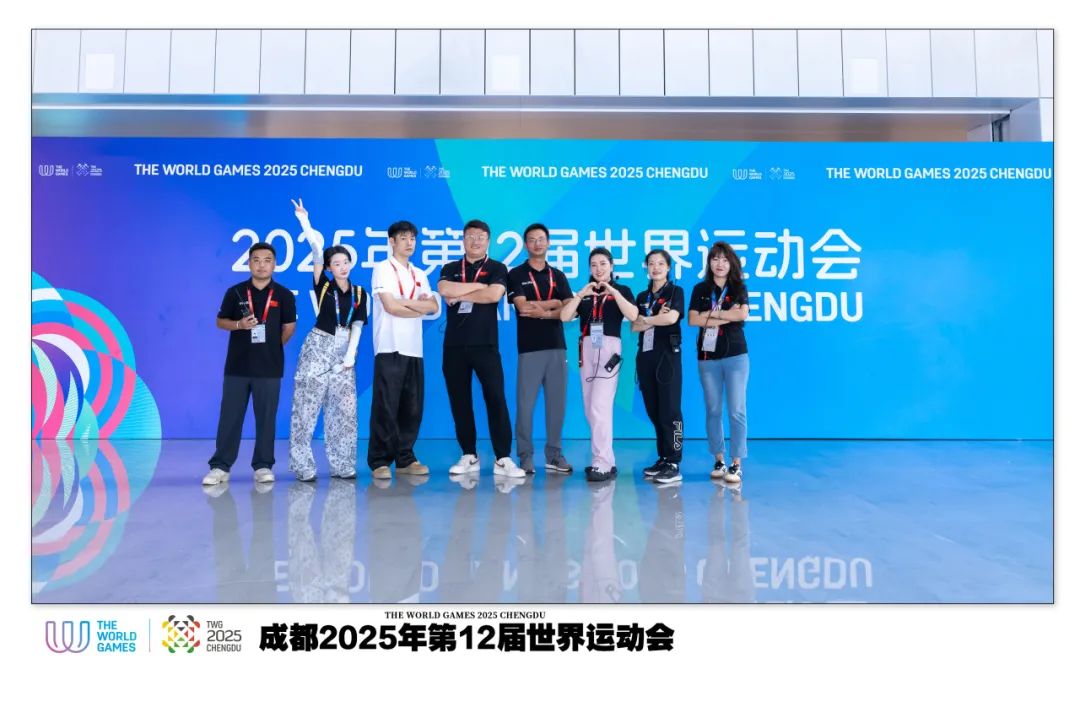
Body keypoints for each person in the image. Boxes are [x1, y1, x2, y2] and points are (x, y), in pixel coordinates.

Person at [204, 242, 297, 485]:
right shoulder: (235, 292)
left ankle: (263, 466)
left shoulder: (284, 295)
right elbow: (220, 321)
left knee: (266, 419)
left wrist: (271, 347)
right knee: (230, 417)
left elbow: (289, 327)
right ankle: (220, 467)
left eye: (267, 260)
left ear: (275, 264)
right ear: (249, 264)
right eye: (256, 260)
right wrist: (239, 325)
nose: (261, 265)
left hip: (269, 368)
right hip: (237, 367)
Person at [437, 219, 524, 479]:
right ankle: (469, 454)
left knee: (496, 399)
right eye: (471, 236)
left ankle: (503, 457)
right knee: (460, 401)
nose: (475, 241)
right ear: (463, 239)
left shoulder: (497, 267)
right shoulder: (451, 267)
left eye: (481, 237)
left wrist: (461, 295)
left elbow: (494, 295)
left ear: (488, 241)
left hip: (485, 344)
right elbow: (444, 288)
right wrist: (479, 286)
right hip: (454, 345)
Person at [288, 198, 368, 481]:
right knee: (306, 407)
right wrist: (304, 221)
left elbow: (357, 325)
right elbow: (315, 248)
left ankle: (343, 464)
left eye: (345, 262)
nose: (342, 266)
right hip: (318, 347)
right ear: (329, 268)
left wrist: (350, 355)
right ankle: (303, 466)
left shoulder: (360, 293)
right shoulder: (323, 285)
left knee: (344, 411)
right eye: (336, 263)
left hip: (345, 353)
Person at [368, 220, 440, 480]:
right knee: (386, 405)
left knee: (412, 407)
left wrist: (406, 304)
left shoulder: (419, 273)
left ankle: (405, 458)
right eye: (403, 238)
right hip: (389, 345)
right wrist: (417, 307)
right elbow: (390, 307)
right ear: (392, 241)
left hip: (414, 348)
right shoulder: (382, 268)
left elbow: (433, 307)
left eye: (413, 238)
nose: (409, 243)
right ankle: (379, 460)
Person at [559, 247, 638, 482]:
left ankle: (601, 463)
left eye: (603, 264)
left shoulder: (622, 290)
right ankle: (607, 461)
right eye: (593, 265)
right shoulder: (585, 294)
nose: (598, 269)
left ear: (612, 266)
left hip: (609, 349)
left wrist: (613, 291)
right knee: (590, 407)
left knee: (599, 406)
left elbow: (633, 315)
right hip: (586, 349)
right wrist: (581, 293)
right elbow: (564, 317)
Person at [507, 223, 575, 475]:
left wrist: (546, 311)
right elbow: (524, 308)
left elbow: (570, 311)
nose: (537, 243)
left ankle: (554, 455)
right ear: (526, 245)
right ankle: (525, 456)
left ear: (548, 242)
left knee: (557, 406)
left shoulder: (558, 275)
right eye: (532, 240)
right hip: (530, 348)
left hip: (557, 347)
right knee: (525, 406)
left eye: (541, 239)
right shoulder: (516, 274)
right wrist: (555, 303)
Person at [688, 241, 750, 485]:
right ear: (709, 263)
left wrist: (712, 315)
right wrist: (726, 315)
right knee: (713, 409)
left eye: (724, 259)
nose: (720, 264)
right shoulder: (700, 289)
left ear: (731, 263)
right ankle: (719, 459)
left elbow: (742, 314)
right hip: (708, 357)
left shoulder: (738, 287)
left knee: (736, 410)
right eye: (715, 259)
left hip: (736, 355)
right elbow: (693, 319)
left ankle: (736, 464)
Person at [631, 249, 686, 485]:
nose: (656, 268)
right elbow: (634, 327)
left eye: (660, 263)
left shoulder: (675, 292)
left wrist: (647, 319)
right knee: (654, 411)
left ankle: (674, 462)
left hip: (668, 357)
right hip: (645, 357)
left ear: (668, 267)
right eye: (651, 263)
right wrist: (655, 317)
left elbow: (671, 318)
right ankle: (663, 458)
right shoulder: (642, 296)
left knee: (670, 411)